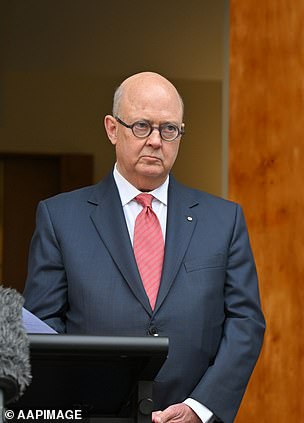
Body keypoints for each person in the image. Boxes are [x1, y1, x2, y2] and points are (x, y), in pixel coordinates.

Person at [23, 72, 265, 423]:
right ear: (111, 129)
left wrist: (200, 407)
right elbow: (42, 329)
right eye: (141, 126)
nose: (155, 140)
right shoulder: (60, 218)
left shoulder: (223, 220)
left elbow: (245, 322)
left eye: (169, 129)